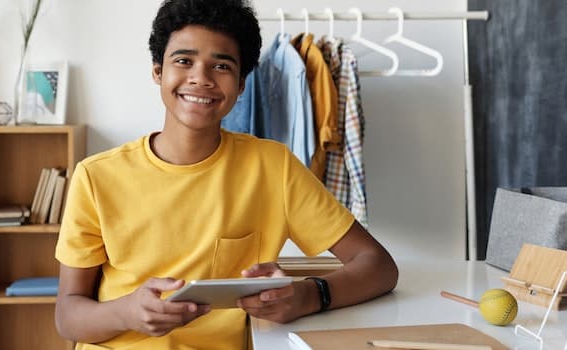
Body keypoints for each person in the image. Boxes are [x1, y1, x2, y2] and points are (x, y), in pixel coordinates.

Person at [54, 0, 398, 349]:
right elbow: (68, 315)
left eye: (221, 65)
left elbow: (379, 266)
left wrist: (306, 295)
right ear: (158, 71)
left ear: (242, 84)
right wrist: (126, 312)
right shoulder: (96, 177)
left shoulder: (273, 167)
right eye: (183, 61)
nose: (201, 78)